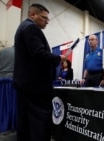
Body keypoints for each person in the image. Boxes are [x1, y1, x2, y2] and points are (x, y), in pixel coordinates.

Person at [13, 3, 66, 141]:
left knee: (25, 122)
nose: (47, 22)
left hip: (26, 85)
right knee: (39, 122)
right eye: (44, 18)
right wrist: (58, 58)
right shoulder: (31, 28)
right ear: (32, 15)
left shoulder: (22, 27)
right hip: (35, 86)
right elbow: (39, 54)